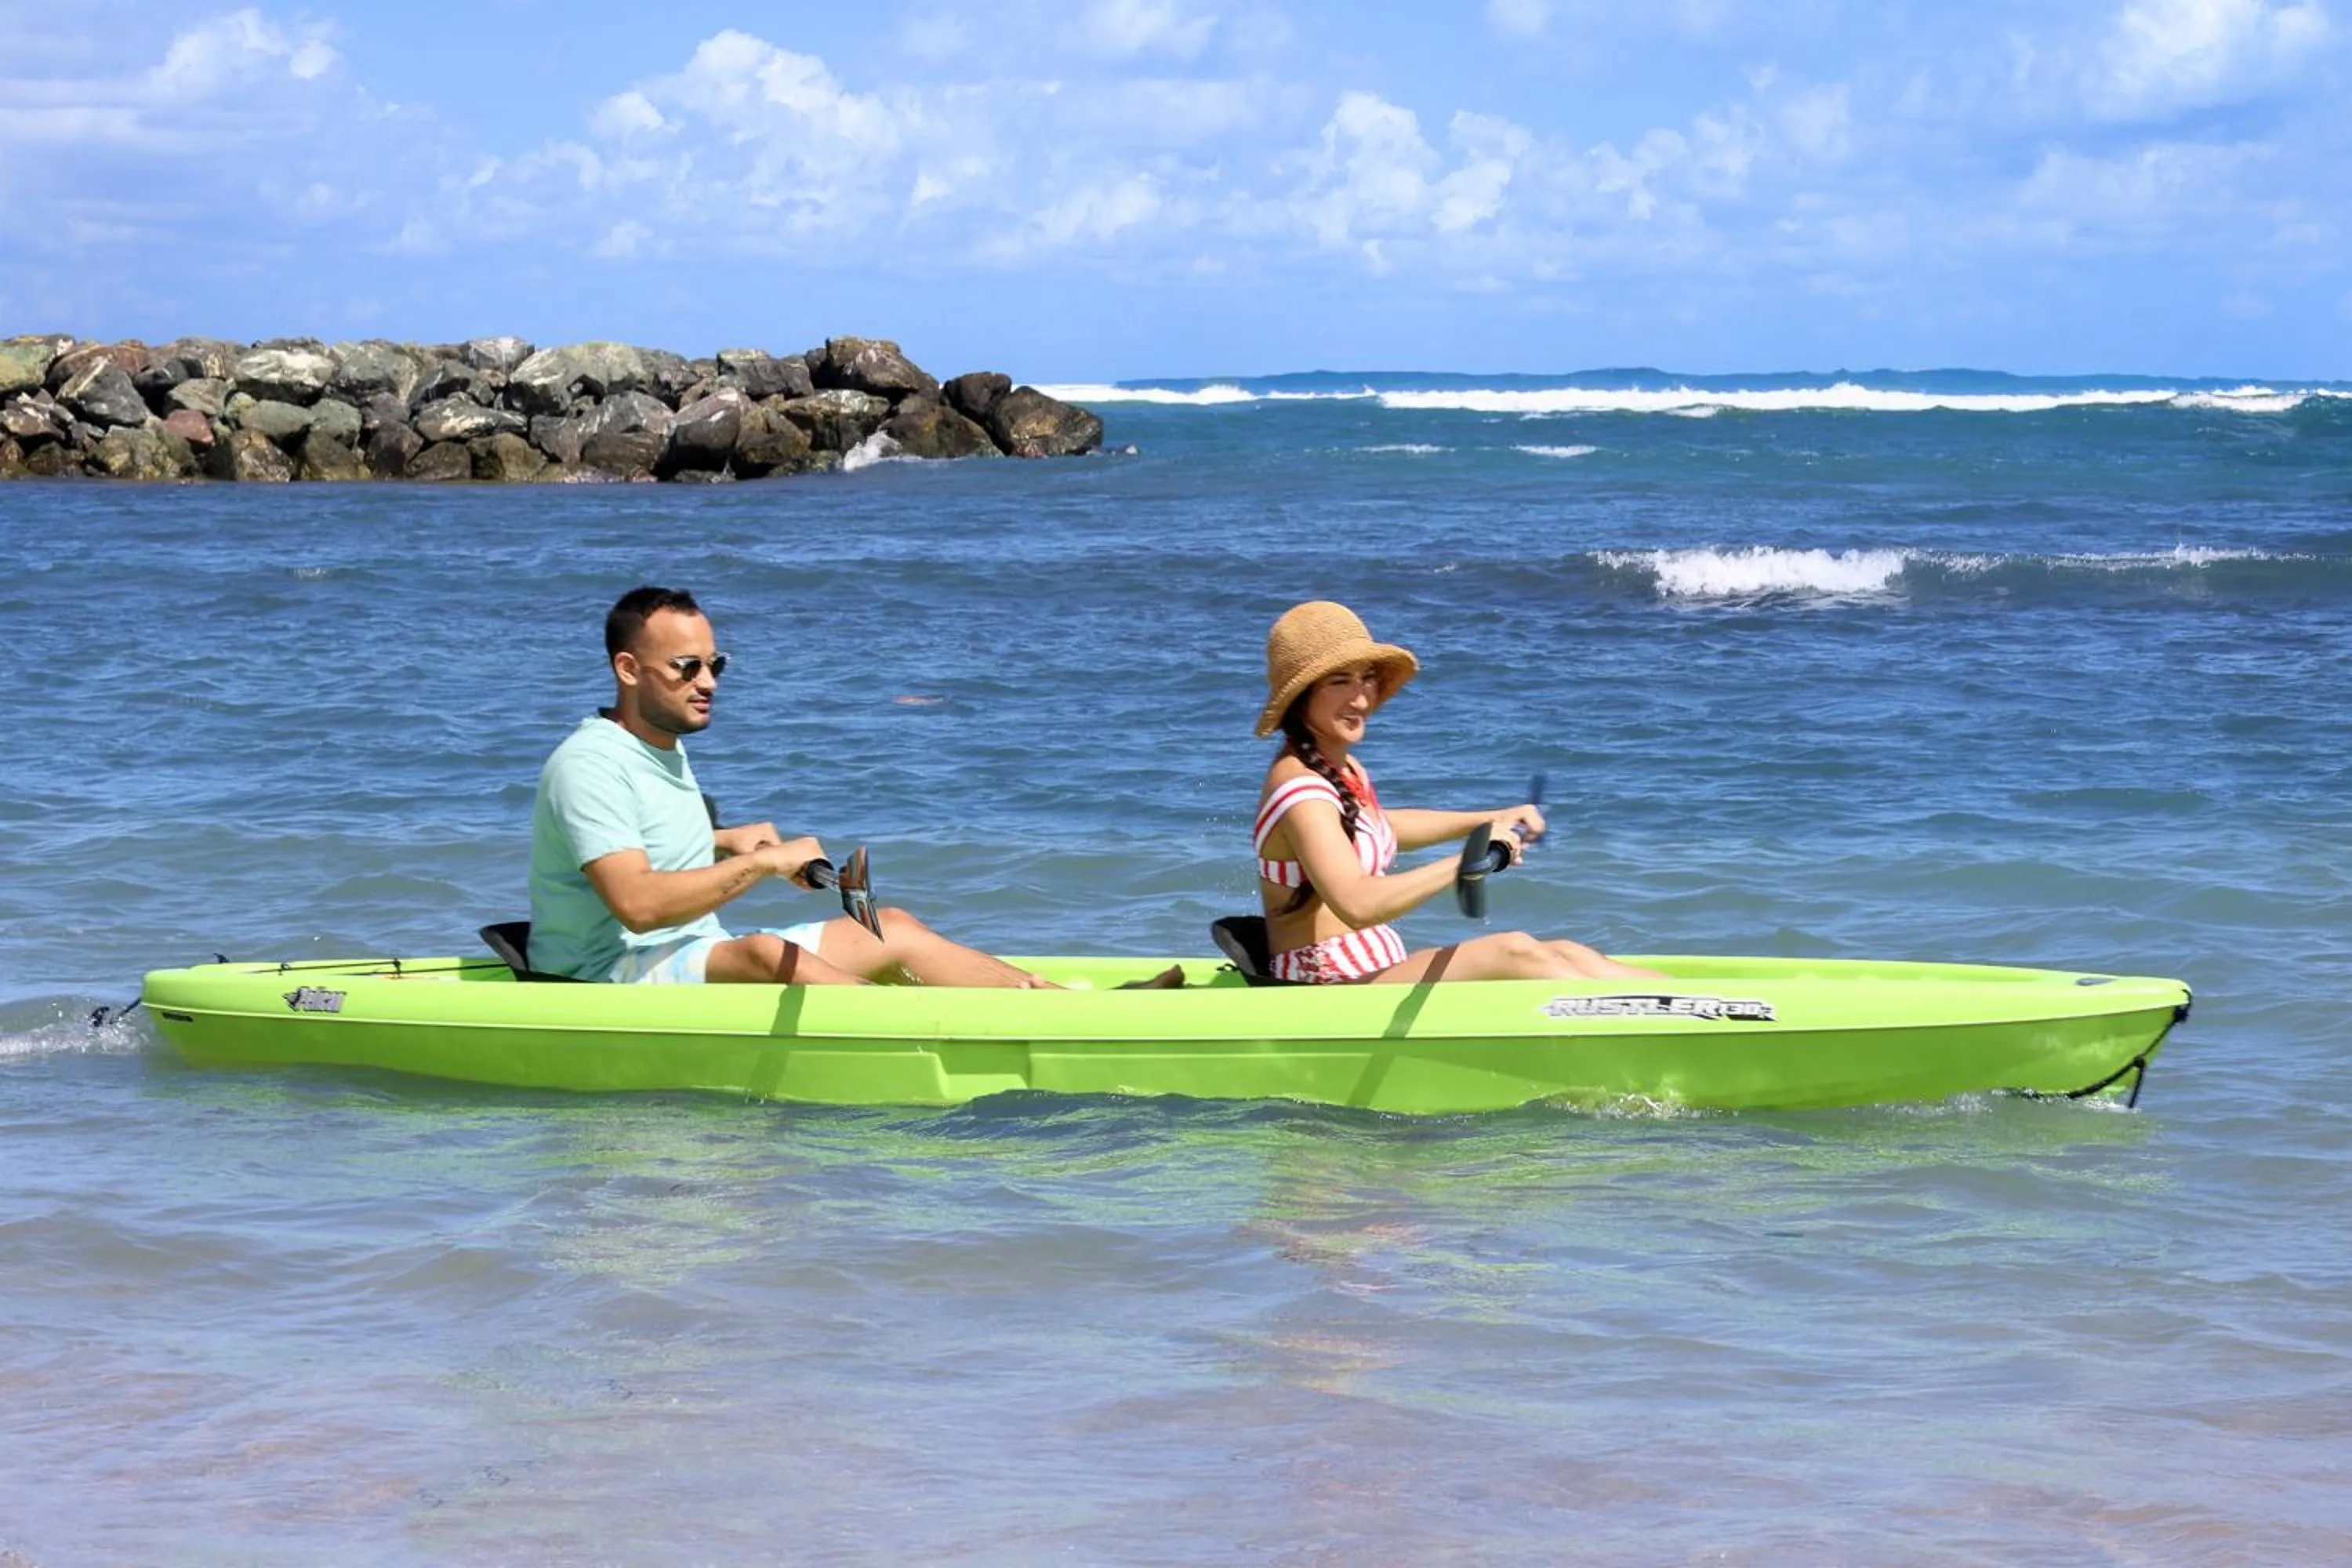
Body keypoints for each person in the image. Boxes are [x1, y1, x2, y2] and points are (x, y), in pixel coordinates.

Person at [528, 585, 1053, 987]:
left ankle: (1055, 1004)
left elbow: (632, 835)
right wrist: (761, 864)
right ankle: (914, 1032)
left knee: (889, 925)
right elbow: (638, 906)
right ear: (628, 669)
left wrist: (723, 840)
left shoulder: (658, 745)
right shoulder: (590, 764)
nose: (708, 682)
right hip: (601, 976)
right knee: (762, 951)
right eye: (687, 667)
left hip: (684, 947)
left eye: (715, 665)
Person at [1250, 601, 1666, 984]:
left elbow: (1377, 827)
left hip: (1370, 972)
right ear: (1301, 695)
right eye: (1340, 681)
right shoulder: (1300, 788)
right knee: (1515, 951)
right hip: (1323, 989)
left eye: (1367, 679)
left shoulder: (1337, 768)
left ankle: (1702, 1008)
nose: (1360, 698)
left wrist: (1489, 819)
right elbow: (1357, 904)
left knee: (1567, 952)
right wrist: (1464, 862)